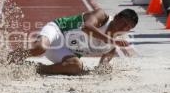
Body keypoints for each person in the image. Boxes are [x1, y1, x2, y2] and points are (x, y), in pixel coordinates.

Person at [8, 8, 139, 76]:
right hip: (58, 31)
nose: (123, 28)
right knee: (40, 48)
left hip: (65, 51)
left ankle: (32, 68)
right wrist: (110, 39)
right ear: (116, 17)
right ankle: (7, 59)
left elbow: (103, 64)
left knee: (76, 66)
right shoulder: (102, 16)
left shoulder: (113, 45)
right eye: (123, 23)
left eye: (128, 28)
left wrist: (104, 67)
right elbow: (86, 27)